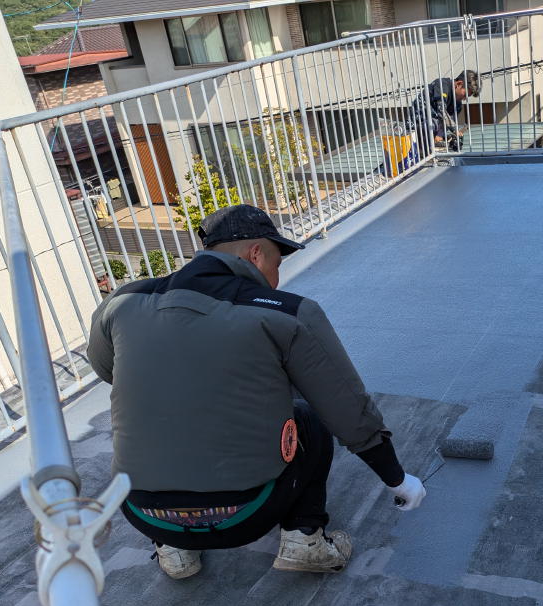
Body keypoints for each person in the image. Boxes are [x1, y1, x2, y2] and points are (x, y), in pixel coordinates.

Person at [87, 204, 426, 579]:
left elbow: (108, 370)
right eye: (277, 264)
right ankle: (304, 538)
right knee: (308, 416)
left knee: (162, 411)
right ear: (256, 253)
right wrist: (397, 479)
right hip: (247, 514)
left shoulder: (120, 303)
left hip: (142, 514)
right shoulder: (285, 312)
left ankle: (176, 548)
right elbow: (347, 408)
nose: (277, 279)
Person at [413, 70, 481, 154]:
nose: (465, 98)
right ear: (459, 84)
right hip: (418, 121)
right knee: (433, 123)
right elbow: (441, 111)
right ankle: (423, 152)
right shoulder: (442, 85)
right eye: (465, 94)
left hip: (433, 126)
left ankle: (434, 145)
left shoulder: (457, 104)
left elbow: (448, 121)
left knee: (448, 131)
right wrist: (455, 130)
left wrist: (445, 135)